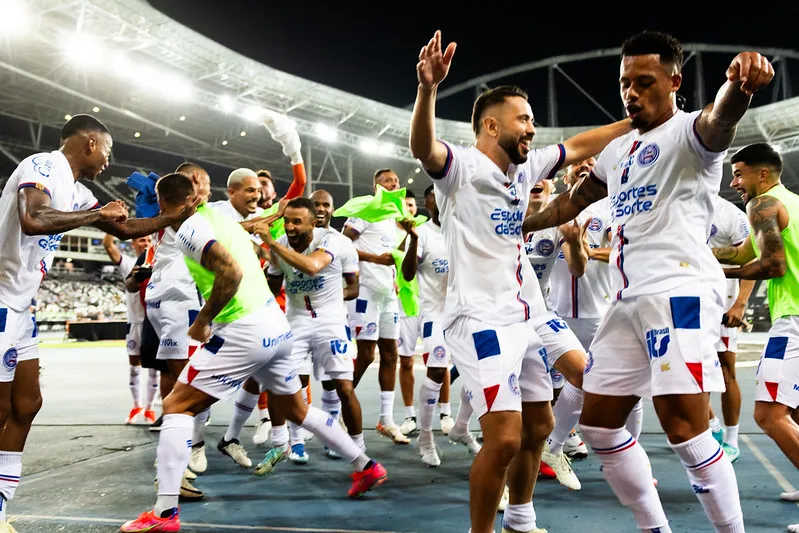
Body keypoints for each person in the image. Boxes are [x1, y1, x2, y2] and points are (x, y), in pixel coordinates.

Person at [523, 30, 773, 533]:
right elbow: (574, 202)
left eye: (644, 81)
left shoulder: (689, 135)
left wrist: (739, 89)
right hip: (627, 299)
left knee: (685, 429)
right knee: (597, 424)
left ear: (674, 82)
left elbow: (719, 120)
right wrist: (520, 223)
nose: (631, 93)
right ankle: (654, 529)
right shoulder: (618, 151)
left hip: (678, 291)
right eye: (624, 84)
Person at [410, 30, 632, 533]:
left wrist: (640, 122)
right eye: (524, 120)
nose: (532, 129)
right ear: (492, 125)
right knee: (506, 438)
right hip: (480, 319)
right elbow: (423, 147)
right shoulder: (460, 169)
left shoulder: (526, 166)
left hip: (533, 313)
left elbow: (578, 145)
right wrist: (427, 90)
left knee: (555, 414)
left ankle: (521, 518)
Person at [120, 173, 387, 533]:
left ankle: (164, 515)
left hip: (242, 328)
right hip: (276, 325)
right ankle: (366, 465)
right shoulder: (220, 220)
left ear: (166, 203)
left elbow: (229, 272)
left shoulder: (188, 229)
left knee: (176, 405)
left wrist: (203, 320)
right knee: (297, 410)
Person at [0, 114, 199, 533]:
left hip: (22, 307)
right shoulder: (43, 165)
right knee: (1, 408)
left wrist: (174, 217)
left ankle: (0, 504)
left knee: (26, 404)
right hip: (0, 300)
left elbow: (124, 229)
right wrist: (94, 217)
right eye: (107, 151)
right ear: (90, 143)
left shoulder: (76, 190)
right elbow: (33, 219)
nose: (108, 161)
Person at [710, 142, 799, 532]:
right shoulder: (790, 202)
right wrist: (689, 254)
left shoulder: (761, 205)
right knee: (794, 413)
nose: (734, 182)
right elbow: (740, 252)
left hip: (793, 319)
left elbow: (772, 264)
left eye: (739, 173)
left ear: (762, 174)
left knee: (769, 414)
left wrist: (714, 276)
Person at [263, 197, 366, 467]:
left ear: (314, 222)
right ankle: (290, 443)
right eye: (287, 221)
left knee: (344, 386)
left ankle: (358, 449)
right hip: (295, 320)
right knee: (285, 384)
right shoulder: (280, 247)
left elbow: (313, 267)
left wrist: (271, 243)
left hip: (331, 320)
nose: (290, 226)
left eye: (297, 221)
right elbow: (272, 288)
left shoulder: (332, 241)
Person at [401, 185, 481, 467]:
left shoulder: (466, 230)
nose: (439, 200)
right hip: (435, 314)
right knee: (436, 368)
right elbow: (408, 273)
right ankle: (425, 438)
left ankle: (460, 427)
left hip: (466, 314)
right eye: (433, 196)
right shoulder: (423, 233)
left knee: (478, 373)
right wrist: (411, 240)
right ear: (428, 203)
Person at [343, 169, 410, 444]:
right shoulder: (365, 210)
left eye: (396, 181)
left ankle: (386, 419)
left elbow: (397, 256)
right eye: (386, 181)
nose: (393, 184)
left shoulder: (397, 219)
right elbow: (341, 244)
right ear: (376, 187)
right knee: (367, 355)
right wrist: (374, 259)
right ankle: (339, 407)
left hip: (387, 295)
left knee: (391, 354)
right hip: (365, 293)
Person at [707, 194, 755, 463]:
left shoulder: (730, 214)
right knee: (685, 370)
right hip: (684, 302)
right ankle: (711, 427)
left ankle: (732, 440)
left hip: (720, 306)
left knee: (726, 371)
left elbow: (750, 261)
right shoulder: (675, 204)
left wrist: (739, 304)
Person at [102, 233, 158, 424]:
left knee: (154, 370)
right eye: (142, 240)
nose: (146, 243)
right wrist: (114, 225)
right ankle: (136, 406)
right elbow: (108, 245)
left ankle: (150, 410)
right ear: (133, 243)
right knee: (134, 368)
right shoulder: (128, 263)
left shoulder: (158, 262)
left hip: (154, 322)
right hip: (135, 322)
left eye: (149, 240)